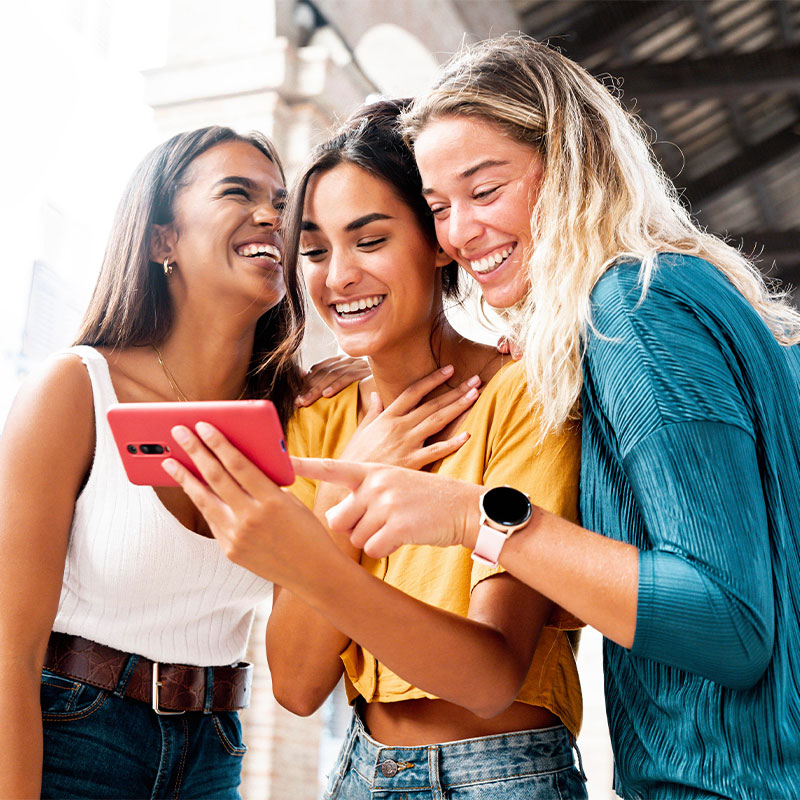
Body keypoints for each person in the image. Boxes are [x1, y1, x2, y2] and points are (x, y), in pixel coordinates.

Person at [287, 35, 800, 799]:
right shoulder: (661, 301)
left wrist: (478, 519)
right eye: (439, 208)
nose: (459, 233)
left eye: (486, 192)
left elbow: (730, 624)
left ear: (571, 164)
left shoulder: (636, 311)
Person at [165, 100, 587, 798]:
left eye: (369, 240)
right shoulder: (320, 421)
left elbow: (487, 679)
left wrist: (326, 534)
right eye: (316, 250)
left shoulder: (521, 396)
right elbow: (299, 684)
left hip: (505, 773)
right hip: (360, 772)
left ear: (436, 239)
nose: (337, 277)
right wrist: (341, 498)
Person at [0, 125, 367, 799]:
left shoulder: (299, 416)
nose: (272, 217)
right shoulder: (75, 389)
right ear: (161, 239)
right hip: (73, 738)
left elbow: (309, 658)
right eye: (239, 192)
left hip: (216, 748)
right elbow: (7, 656)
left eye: (282, 203)